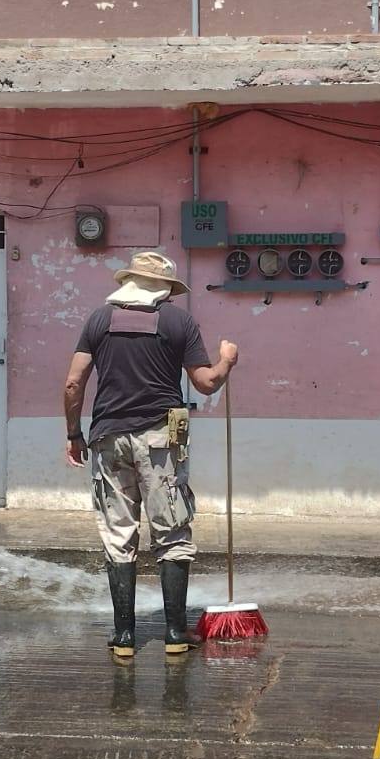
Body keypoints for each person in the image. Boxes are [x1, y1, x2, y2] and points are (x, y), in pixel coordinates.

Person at [63, 251, 237, 657]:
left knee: (118, 535)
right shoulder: (178, 321)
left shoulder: (98, 320)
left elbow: (74, 384)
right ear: (165, 289)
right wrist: (227, 360)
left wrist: (74, 434)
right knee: (172, 531)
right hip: (162, 438)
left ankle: (124, 637)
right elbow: (207, 383)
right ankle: (175, 634)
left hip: (107, 438)